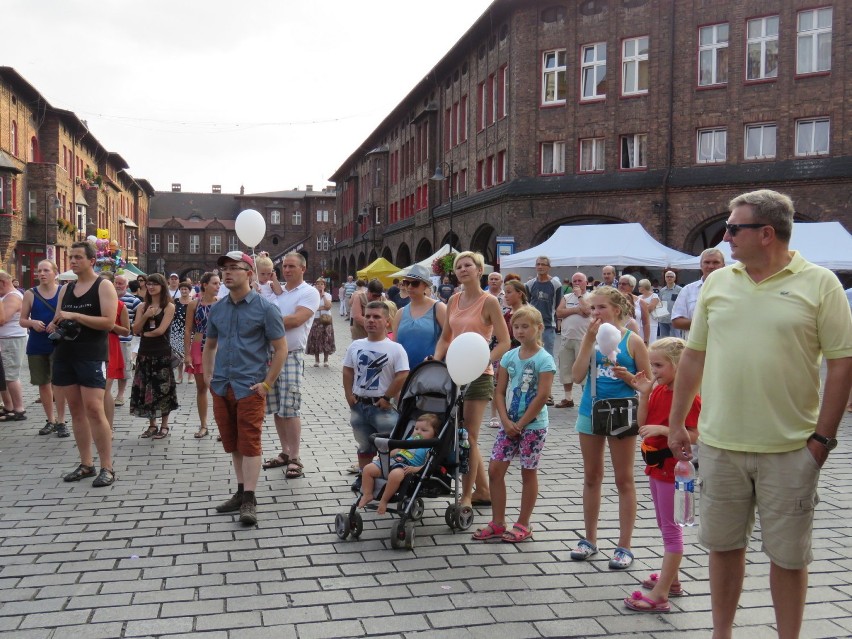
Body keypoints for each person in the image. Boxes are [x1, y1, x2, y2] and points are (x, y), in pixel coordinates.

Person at [668, 189, 852, 639]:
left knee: (789, 557)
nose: (724, 237)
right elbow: (693, 356)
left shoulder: (820, 283)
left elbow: (843, 361)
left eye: (733, 228)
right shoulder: (718, 282)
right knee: (723, 548)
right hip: (720, 443)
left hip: (791, 448)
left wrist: (821, 441)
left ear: (766, 234)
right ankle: (721, 634)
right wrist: (678, 422)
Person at [203, 251, 287, 526]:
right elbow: (210, 344)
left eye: (234, 268)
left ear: (249, 274)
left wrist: (266, 384)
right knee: (232, 441)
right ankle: (240, 492)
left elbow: (280, 348)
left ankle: (250, 498)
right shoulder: (218, 308)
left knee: (249, 441)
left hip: (250, 386)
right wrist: (208, 375)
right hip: (222, 384)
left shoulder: (266, 308)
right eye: (224, 269)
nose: (227, 273)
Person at [570, 285, 651, 569]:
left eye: (601, 307)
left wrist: (628, 376)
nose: (595, 313)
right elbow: (577, 376)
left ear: (617, 309)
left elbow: (648, 385)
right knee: (592, 476)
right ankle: (589, 539)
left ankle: (624, 546)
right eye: (593, 308)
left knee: (623, 479)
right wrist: (586, 342)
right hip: (590, 411)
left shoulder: (632, 341)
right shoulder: (590, 338)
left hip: (621, 412)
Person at [620, 338, 701, 613]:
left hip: (674, 470)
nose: (653, 371)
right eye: (652, 364)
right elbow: (643, 425)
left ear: (678, 365)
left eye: (659, 365)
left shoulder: (689, 396)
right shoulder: (659, 390)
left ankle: (661, 594)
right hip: (657, 467)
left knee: (671, 531)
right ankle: (672, 580)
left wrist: (665, 430)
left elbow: (694, 435)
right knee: (665, 524)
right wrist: (644, 393)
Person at [434, 251, 511, 508]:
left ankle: (467, 496)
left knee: (469, 435)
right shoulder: (453, 300)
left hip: (479, 375)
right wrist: (436, 359)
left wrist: (485, 360)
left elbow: (505, 340)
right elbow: (446, 337)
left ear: (480, 271)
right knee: (460, 432)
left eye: (468, 265)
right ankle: (483, 491)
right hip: (454, 372)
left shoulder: (489, 301)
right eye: (459, 266)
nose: (463, 269)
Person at [473, 306, 555, 543]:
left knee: (528, 472)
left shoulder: (544, 359)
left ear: (539, 328)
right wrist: (505, 421)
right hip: (508, 424)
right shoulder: (509, 356)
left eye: (525, 326)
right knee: (495, 470)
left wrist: (520, 423)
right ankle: (498, 522)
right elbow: (498, 392)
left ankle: (524, 523)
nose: (519, 331)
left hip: (533, 426)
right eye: (516, 326)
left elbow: (542, 396)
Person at [49, 241, 118, 487]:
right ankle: (86, 463)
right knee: (76, 410)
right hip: (65, 354)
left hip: (91, 354)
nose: (74, 261)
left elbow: (109, 322)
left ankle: (107, 467)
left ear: (91, 260)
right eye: (71, 257)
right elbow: (59, 317)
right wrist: (54, 324)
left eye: (78, 257)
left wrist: (75, 316)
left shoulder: (104, 285)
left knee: (93, 409)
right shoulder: (65, 290)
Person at [263, 252, 320, 479]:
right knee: (277, 407)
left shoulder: (309, 292)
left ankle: (295, 457)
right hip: (270, 354)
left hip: (292, 355)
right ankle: (285, 452)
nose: (286, 270)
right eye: (284, 266)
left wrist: (263, 321)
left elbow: (297, 320)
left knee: (291, 406)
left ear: (303, 269)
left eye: (291, 266)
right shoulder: (278, 292)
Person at [343, 300, 409, 470]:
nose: (371, 320)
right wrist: (349, 395)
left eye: (377, 317)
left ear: (387, 321)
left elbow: (402, 374)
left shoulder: (395, 348)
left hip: (382, 406)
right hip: (359, 405)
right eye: (367, 316)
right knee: (364, 446)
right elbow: (348, 370)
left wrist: (387, 397)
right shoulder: (355, 345)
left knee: (390, 446)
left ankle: (388, 478)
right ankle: (365, 477)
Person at [357, 413, 440, 514]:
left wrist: (416, 469)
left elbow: (428, 464)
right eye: (416, 428)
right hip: (393, 460)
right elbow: (398, 449)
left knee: (395, 475)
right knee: (368, 469)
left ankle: (384, 501)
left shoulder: (429, 447)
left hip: (406, 466)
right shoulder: (410, 439)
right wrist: (384, 457)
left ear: (435, 433)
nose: (418, 432)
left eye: (424, 430)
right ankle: (367, 494)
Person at [20, 260, 66, 435]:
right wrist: (32, 322)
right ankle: (51, 420)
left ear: (55, 272)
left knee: (60, 383)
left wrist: (56, 323)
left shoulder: (63, 291)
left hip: (59, 343)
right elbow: (22, 320)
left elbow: (67, 315)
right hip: (37, 343)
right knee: (43, 383)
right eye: (39, 271)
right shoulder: (30, 293)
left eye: (46, 270)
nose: (42, 274)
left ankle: (61, 421)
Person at [130, 273, 178, 439]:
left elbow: (160, 330)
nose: (151, 287)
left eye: (154, 284)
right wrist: (145, 317)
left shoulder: (169, 307)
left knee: (162, 389)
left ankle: (164, 426)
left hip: (161, 353)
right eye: (149, 284)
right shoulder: (142, 307)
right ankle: (152, 425)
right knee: (146, 388)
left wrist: (146, 333)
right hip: (144, 353)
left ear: (162, 286)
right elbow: (135, 329)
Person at [184, 272, 220, 439]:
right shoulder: (194, 304)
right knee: (201, 388)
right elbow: (188, 330)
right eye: (215, 283)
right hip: (199, 347)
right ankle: (204, 424)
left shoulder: (221, 304)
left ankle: (223, 425)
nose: (218, 286)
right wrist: (187, 354)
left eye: (219, 283)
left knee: (220, 388)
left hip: (218, 348)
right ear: (205, 285)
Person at [392, 264, 446, 367]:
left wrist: (435, 359)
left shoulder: (438, 308)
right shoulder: (401, 312)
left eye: (415, 283)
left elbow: (449, 338)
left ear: (425, 285)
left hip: (430, 370)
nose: (409, 287)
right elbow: (394, 345)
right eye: (406, 283)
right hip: (403, 372)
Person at [525, 256, 562, 405]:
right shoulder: (529, 284)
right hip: (532, 326)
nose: (540, 267)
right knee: (531, 357)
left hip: (547, 326)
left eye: (543, 265)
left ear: (548, 267)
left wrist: (558, 322)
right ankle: (531, 390)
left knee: (547, 359)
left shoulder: (555, 284)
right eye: (538, 264)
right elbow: (526, 303)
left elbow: (559, 305)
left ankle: (548, 393)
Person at [99, 272, 130, 436]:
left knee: (104, 390)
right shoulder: (90, 305)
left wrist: (111, 325)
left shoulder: (120, 305)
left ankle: (108, 428)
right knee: (94, 392)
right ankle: (98, 425)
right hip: (90, 348)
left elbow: (126, 331)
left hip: (110, 348)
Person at [670, 248, 726, 339]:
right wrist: (706, 323)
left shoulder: (733, 289)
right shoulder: (688, 290)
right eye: (707, 262)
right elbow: (676, 321)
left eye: (716, 262)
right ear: (700, 265)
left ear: (723, 265)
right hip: (695, 347)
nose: (711, 266)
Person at [555, 272, 591, 408]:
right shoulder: (566, 297)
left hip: (583, 339)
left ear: (586, 283)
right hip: (566, 337)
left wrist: (579, 296)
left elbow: (587, 310)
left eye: (580, 281)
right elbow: (559, 312)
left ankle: (585, 398)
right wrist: (576, 310)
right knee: (565, 368)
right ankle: (568, 398)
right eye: (574, 281)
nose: (577, 283)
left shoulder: (591, 297)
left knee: (584, 369)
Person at [0, 271, 28, 421]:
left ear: (3, 282)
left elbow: (2, 319)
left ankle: (18, 409)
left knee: (10, 374)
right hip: (5, 338)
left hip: (11, 339)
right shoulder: (5, 296)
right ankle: (8, 406)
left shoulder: (13, 297)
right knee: (3, 376)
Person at [113, 274, 142, 406]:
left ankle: (120, 395)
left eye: (121, 284)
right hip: (107, 339)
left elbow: (141, 313)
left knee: (124, 368)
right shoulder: (107, 297)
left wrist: (135, 326)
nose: (118, 286)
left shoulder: (133, 300)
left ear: (126, 286)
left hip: (125, 339)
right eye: (116, 283)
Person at [306, 278, 335, 367]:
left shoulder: (328, 295)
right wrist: (322, 307)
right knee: (316, 339)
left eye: (322, 284)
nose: (320, 286)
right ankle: (317, 360)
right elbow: (311, 307)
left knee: (327, 338)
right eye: (318, 284)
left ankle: (326, 360)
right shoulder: (312, 295)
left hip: (326, 319)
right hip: (315, 319)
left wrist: (323, 296)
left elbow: (328, 306)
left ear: (324, 286)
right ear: (315, 286)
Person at [170, 281, 192, 384]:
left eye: (186, 289)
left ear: (189, 291)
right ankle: (179, 375)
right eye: (182, 289)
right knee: (178, 354)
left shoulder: (193, 302)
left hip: (190, 330)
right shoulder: (175, 301)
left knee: (189, 353)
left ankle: (190, 375)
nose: (184, 291)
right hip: (176, 330)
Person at [618, 275, 650, 344]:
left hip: (635, 337)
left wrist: (646, 341)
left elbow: (646, 323)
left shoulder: (640, 302)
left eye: (624, 284)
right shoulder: (613, 301)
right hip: (618, 337)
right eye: (619, 283)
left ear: (632, 286)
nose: (620, 286)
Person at [657, 271, 682, 339]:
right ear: (665, 278)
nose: (669, 278)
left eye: (671, 276)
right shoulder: (662, 290)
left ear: (674, 278)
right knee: (664, 339)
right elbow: (660, 303)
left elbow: (682, 303)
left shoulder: (680, 290)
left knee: (676, 339)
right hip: (663, 318)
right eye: (667, 276)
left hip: (675, 318)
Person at [638, 279, 661, 345]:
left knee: (651, 343)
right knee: (641, 343)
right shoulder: (639, 297)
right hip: (641, 324)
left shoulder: (654, 296)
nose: (638, 288)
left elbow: (650, 309)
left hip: (652, 323)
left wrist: (641, 307)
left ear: (643, 287)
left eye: (639, 286)